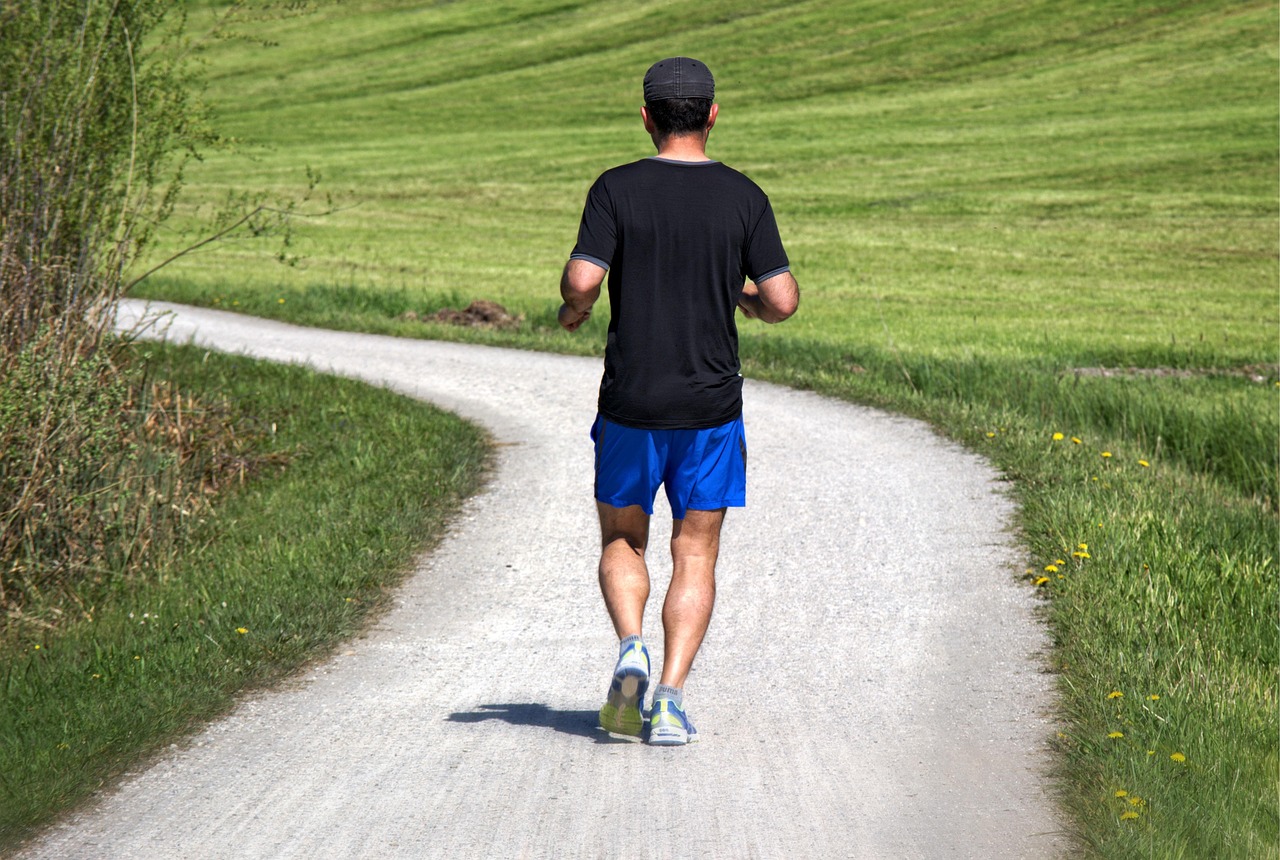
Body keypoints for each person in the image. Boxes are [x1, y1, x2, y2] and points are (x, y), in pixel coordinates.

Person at [558, 57, 799, 746]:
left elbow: (582, 277)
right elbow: (781, 300)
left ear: (646, 117)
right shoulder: (743, 196)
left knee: (622, 539)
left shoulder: (616, 188)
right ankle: (667, 698)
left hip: (631, 400)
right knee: (695, 553)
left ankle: (630, 644)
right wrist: (747, 300)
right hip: (710, 407)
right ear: (713, 115)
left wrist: (576, 308)